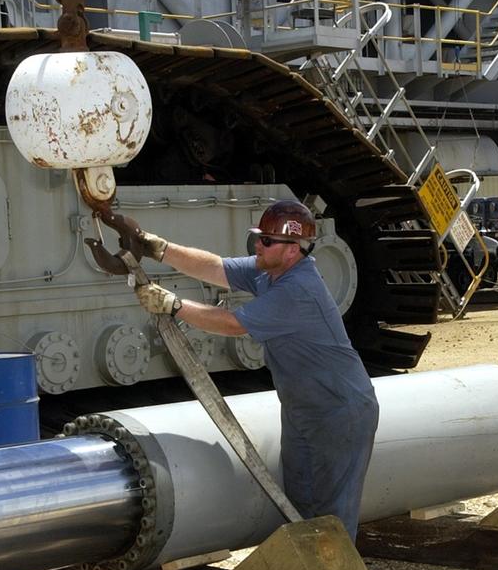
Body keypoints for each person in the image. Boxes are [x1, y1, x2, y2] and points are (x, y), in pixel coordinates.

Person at [118, 199, 379, 539]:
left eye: (267, 241)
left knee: (331, 514)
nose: (258, 244)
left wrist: (174, 305)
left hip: (338, 411)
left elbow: (232, 324)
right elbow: (216, 268)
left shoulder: (298, 290)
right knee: (300, 501)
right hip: (304, 409)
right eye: (259, 237)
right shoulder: (270, 271)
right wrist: (160, 249)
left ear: (292, 250)